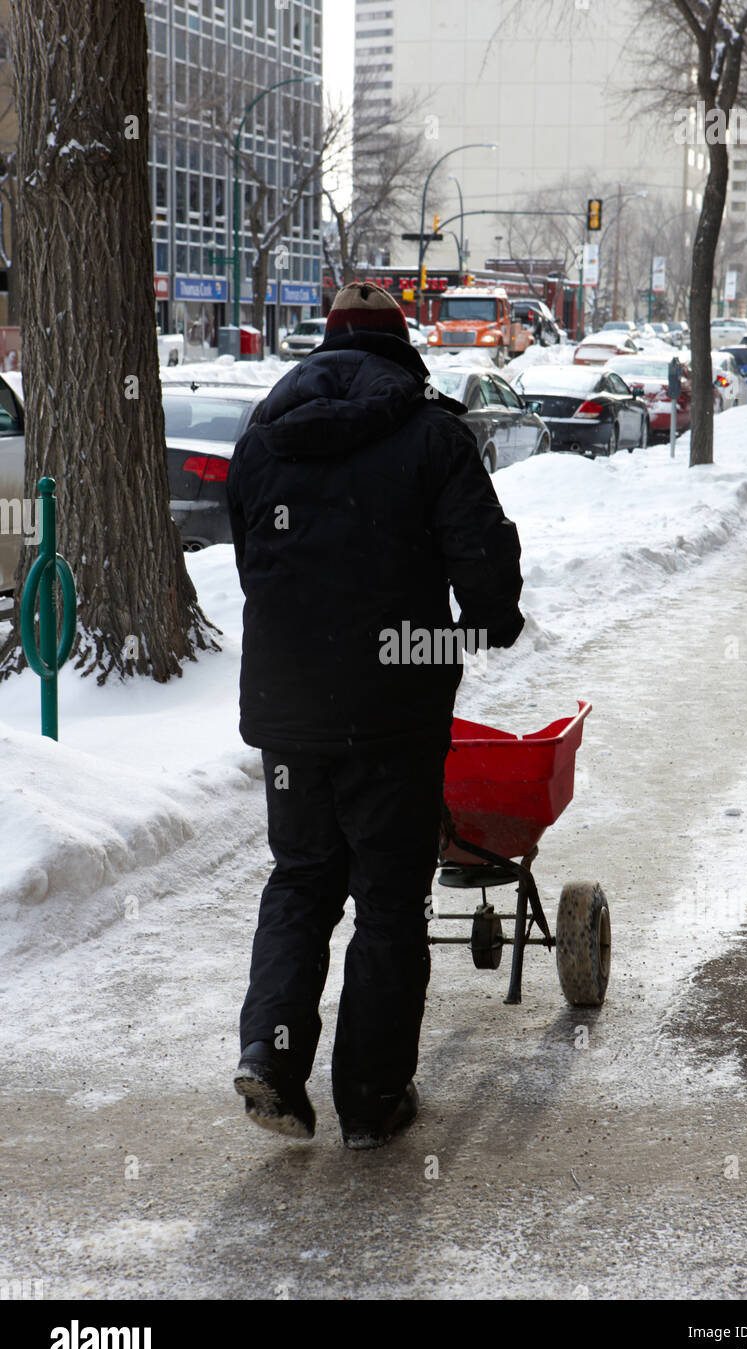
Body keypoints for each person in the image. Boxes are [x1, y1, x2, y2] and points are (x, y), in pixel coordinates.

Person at [226, 281, 524, 1149]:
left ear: (325, 347)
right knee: (388, 904)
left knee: (301, 877)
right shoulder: (432, 436)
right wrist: (484, 623)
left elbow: (255, 564)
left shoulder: (261, 440)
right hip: (393, 711)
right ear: (401, 348)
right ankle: (370, 1098)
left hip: (289, 711)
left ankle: (272, 1056)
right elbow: (486, 578)